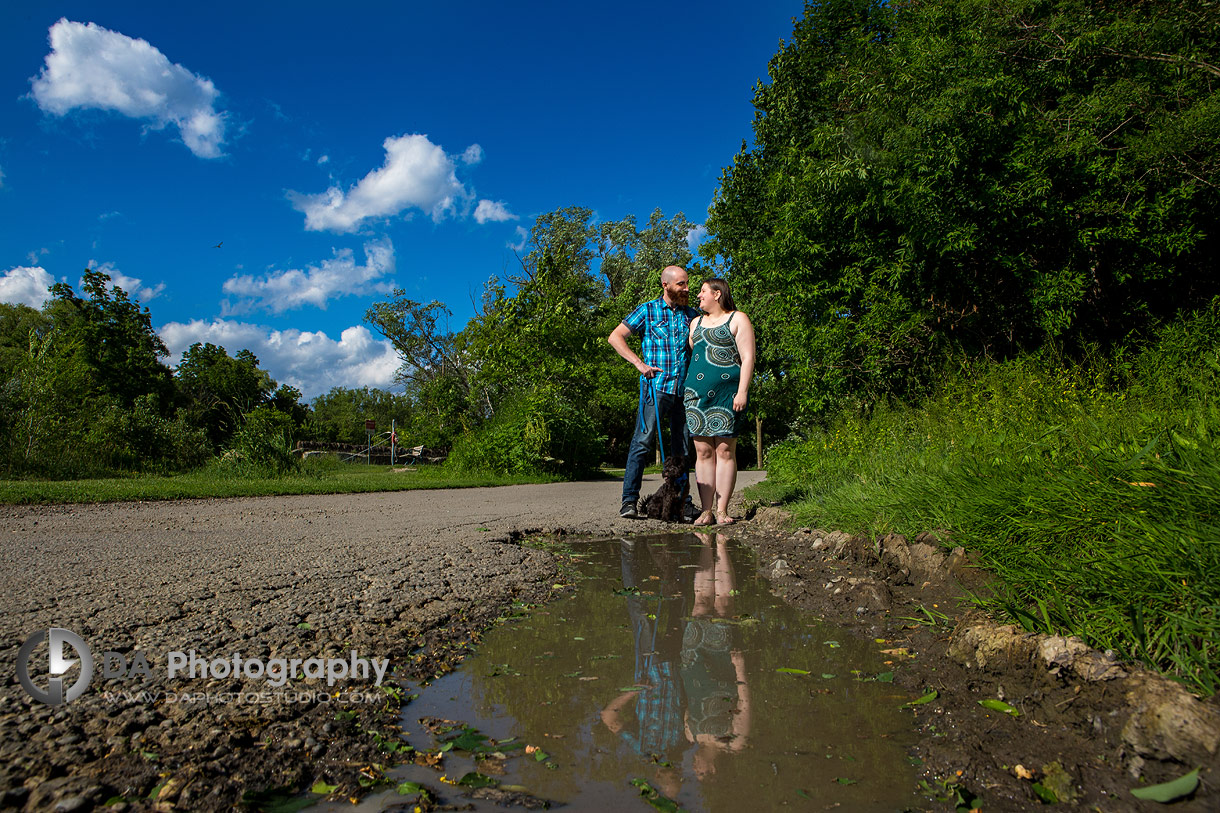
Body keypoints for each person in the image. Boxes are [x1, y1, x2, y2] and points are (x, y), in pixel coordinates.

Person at [608, 265, 700, 519]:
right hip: (656, 387)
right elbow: (615, 337)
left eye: (687, 283)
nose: (686, 288)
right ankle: (629, 501)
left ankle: (684, 502)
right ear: (666, 285)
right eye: (681, 284)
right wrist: (639, 364)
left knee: (681, 448)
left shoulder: (691, 314)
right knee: (642, 441)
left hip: (683, 391)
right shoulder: (647, 310)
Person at [684, 279, 755, 525]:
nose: (698, 296)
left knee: (725, 450)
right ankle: (706, 511)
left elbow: (747, 358)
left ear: (717, 293)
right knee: (703, 451)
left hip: (728, 395)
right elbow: (696, 353)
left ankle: (722, 510)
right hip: (696, 394)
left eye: (702, 291)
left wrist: (742, 391)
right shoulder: (695, 323)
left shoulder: (738, 319)